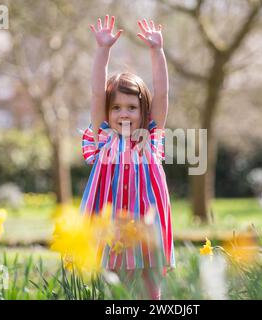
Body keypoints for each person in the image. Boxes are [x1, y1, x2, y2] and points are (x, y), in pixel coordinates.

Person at [80, 15, 175, 300]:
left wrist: (157, 52)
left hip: (147, 223)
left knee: (149, 283)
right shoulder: (104, 137)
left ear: (144, 113)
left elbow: (162, 93)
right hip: (111, 225)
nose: (124, 113)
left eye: (132, 107)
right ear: (108, 113)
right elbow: (98, 92)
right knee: (114, 284)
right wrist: (103, 50)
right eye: (117, 107)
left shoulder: (150, 138)